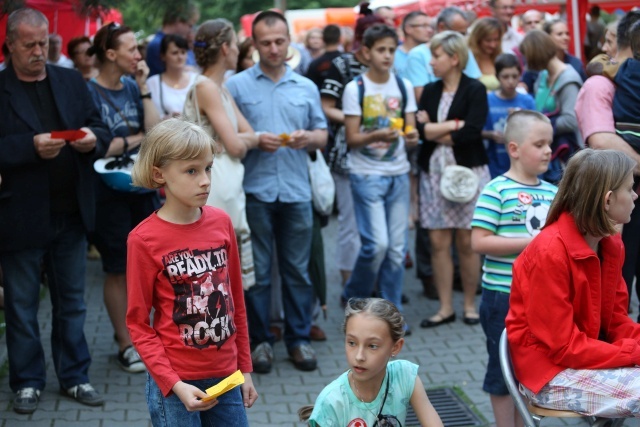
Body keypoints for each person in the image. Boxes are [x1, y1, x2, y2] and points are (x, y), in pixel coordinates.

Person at [0, 7, 110, 414]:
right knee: (22, 304)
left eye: (42, 43)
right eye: (28, 44)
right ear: (9, 44)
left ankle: (75, 376)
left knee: (74, 303)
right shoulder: (2, 87)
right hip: (21, 214)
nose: (37, 51)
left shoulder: (68, 79)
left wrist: (90, 139)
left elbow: (102, 128)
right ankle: (27, 382)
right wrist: (28, 146)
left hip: (71, 212)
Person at [126, 118, 258, 426]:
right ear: (159, 174)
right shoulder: (143, 239)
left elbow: (235, 301)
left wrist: (245, 370)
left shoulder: (221, 223)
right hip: (176, 383)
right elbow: (137, 324)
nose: (205, 181)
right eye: (191, 171)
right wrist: (173, 383)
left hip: (227, 377)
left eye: (208, 168)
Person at [225, 10, 328, 374]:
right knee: (260, 273)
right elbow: (227, 139)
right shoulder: (235, 86)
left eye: (279, 41)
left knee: (298, 271)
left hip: (297, 191)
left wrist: (308, 138)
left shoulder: (306, 86)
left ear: (289, 42)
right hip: (255, 191)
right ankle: (260, 343)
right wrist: (253, 141)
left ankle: (298, 339)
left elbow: (322, 133)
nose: (273, 48)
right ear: (253, 44)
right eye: (265, 42)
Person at [506, 148, 640, 418]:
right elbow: (564, 346)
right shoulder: (550, 252)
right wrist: (632, 352)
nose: (636, 194)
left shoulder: (611, 243)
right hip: (548, 372)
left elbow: (615, 320)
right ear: (608, 200)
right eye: (630, 187)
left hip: (584, 358)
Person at [472, 110, 557, 427]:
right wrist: (530, 241)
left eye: (549, 143)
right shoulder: (496, 190)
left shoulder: (553, 192)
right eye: (539, 144)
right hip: (503, 296)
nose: (548, 150)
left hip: (542, 299)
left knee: (529, 370)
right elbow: (478, 241)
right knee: (503, 368)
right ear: (514, 149)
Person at [86, 22, 161, 373]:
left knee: (149, 267)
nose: (138, 55)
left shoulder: (133, 86)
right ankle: (124, 343)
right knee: (116, 267)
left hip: (140, 188)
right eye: (131, 50)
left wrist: (145, 88)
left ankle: (148, 337)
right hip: (106, 193)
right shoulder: (87, 92)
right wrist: (136, 138)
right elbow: (103, 144)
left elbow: (155, 131)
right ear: (111, 54)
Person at [341, 24, 419, 328]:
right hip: (366, 174)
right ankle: (354, 296)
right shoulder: (356, 88)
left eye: (391, 50)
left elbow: (410, 129)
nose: (387, 56)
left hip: (398, 173)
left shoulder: (403, 86)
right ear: (367, 53)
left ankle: (391, 312)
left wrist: (411, 137)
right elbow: (351, 137)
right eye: (381, 50)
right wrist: (377, 134)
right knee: (378, 246)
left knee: (397, 249)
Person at [416, 31, 490, 328]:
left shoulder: (475, 89)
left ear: (454, 58)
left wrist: (436, 128)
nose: (431, 62)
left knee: (466, 241)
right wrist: (451, 126)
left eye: (436, 56)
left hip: (467, 173)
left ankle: (470, 305)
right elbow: (422, 132)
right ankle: (445, 307)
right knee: (437, 240)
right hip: (433, 173)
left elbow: (472, 131)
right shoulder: (431, 90)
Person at [182, 18, 259, 290]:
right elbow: (240, 144)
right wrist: (241, 140)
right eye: (236, 45)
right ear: (225, 48)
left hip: (226, 181)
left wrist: (241, 140)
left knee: (225, 276)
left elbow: (249, 134)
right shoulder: (206, 87)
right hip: (215, 184)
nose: (239, 50)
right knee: (216, 278)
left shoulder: (219, 88)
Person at [302, 298, 444, 427]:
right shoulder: (332, 401)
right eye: (352, 343)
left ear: (395, 347)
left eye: (372, 346)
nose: (359, 356)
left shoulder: (404, 376)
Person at [405, 6, 482, 102]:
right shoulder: (417, 55)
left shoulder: (464, 49)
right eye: (458, 34)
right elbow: (422, 98)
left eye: (464, 34)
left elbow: (477, 91)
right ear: (441, 27)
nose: (462, 39)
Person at [483, 54, 536, 177]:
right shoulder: (488, 100)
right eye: (505, 77)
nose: (510, 81)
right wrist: (490, 135)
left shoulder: (527, 101)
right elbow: (477, 130)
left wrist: (522, 119)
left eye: (514, 76)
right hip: (495, 165)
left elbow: (538, 132)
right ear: (497, 77)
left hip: (523, 167)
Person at [146, 34, 197, 120]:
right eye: (175, 53)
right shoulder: (152, 83)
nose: (180, 57)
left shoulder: (196, 79)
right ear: (163, 56)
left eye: (183, 52)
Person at [146, 2, 200, 76]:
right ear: (178, 21)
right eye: (189, 26)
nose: (190, 30)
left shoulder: (183, 43)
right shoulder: (157, 44)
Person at [468, 17, 504, 91]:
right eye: (488, 40)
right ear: (478, 39)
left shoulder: (501, 58)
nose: (493, 45)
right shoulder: (469, 59)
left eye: (496, 40)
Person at [394, 11, 432, 80]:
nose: (429, 30)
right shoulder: (393, 56)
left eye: (430, 26)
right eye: (424, 26)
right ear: (408, 29)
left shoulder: (434, 54)